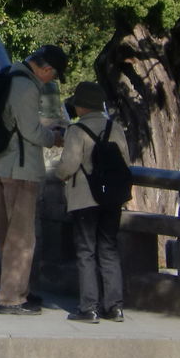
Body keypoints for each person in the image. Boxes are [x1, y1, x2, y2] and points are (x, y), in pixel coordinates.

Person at [0, 44, 67, 315]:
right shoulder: (26, 87)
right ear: (46, 69)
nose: (51, 80)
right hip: (18, 170)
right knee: (21, 237)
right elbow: (31, 131)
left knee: (6, 233)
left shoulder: (8, 76)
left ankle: (19, 290)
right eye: (54, 75)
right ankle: (11, 298)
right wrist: (54, 138)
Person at [56, 80, 128, 323]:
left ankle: (89, 307)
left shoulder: (76, 131)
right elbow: (125, 162)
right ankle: (115, 307)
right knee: (109, 249)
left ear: (82, 106)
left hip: (84, 199)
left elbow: (68, 166)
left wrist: (58, 174)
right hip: (112, 198)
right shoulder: (115, 128)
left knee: (86, 251)